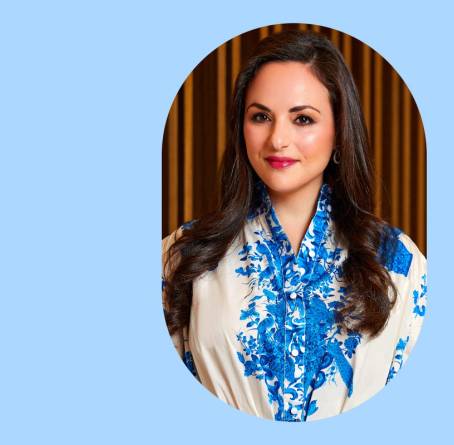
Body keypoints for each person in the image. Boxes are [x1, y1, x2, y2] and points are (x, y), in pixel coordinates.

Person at [162, 29, 428, 422]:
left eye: (302, 118)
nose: (278, 139)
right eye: (260, 117)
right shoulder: (182, 256)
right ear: (241, 127)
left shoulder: (398, 263)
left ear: (339, 132)